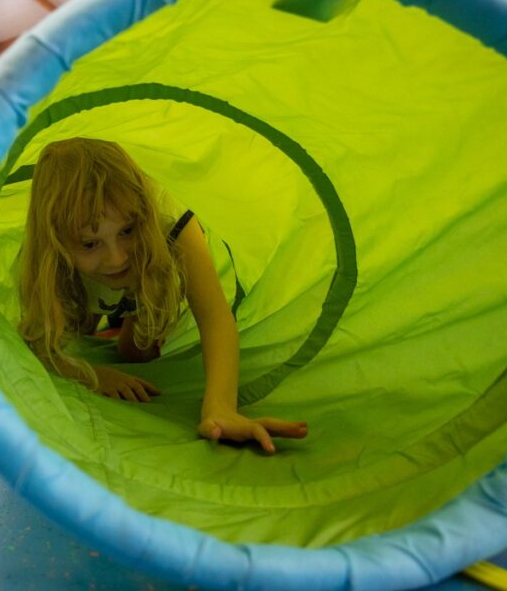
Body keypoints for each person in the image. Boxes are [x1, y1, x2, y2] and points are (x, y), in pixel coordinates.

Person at [18, 138, 308, 453]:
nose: (116, 258)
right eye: (90, 243)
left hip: (151, 271)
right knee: (78, 332)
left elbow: (214, 319)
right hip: (88, 289)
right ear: (57, 242)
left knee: (136, 352)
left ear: (140, 214)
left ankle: (136, 314)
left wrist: (220, 408)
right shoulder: (44, 262)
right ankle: (118, 313)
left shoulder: (171, 223)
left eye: (126, 230)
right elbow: (37, 344)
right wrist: (92, 375)